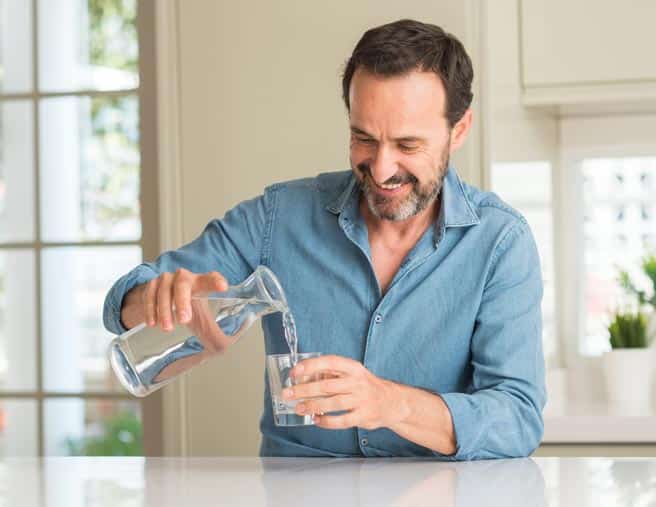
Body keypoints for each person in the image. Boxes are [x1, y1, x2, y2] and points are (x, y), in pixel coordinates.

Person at [103, 19, 545, 460]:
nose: (382, 168)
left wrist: (389, 403)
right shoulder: (280, 217)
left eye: (408, 145)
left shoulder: (500, 243)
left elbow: (518, 419)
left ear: (460, 129)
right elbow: (121, 303)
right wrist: (158, 300)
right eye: (363, 139)